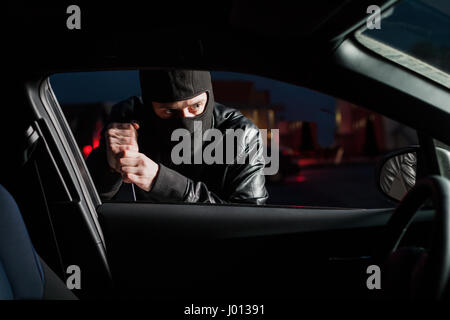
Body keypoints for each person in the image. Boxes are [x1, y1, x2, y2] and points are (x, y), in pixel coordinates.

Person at [86, 69, 268, 204]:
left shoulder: (240, 134)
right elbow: (91, 203)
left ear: (209, 97)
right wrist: (109, 165)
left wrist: (161, 181)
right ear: (150, 107)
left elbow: (248, 218)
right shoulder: (130, 119)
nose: (185, 121)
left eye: (196, 107)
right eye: (169, 111)